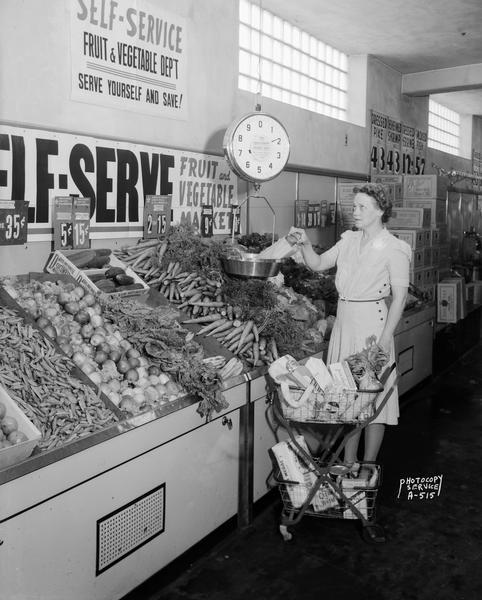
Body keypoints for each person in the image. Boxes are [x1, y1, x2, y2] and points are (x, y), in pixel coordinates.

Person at [288, 183, 410, 482]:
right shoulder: (348, 240)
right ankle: (349, 461)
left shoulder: (394, 248)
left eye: (361, 207)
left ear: (380, 211)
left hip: (372, 327)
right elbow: (317, 264)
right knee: (347, 398)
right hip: (344, 322)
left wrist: (383, 341)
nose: (354, 212)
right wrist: (304, 243)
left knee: (372, 400)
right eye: (353, 206)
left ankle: (368, 466)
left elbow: (401, 297)